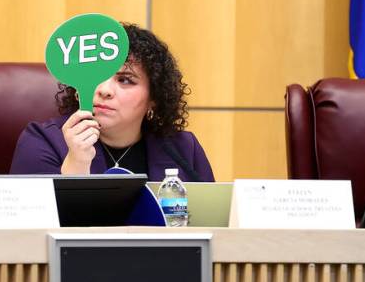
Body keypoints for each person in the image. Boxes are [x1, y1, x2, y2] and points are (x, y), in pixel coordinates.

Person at [11, 24, 214, 182]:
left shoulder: (184, 149)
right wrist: (77, 164)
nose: (104, 90)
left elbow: (211, 223)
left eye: (125, 80)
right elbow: (33, 230)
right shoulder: (43, 140)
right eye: (96, 75)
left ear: (154, 98)